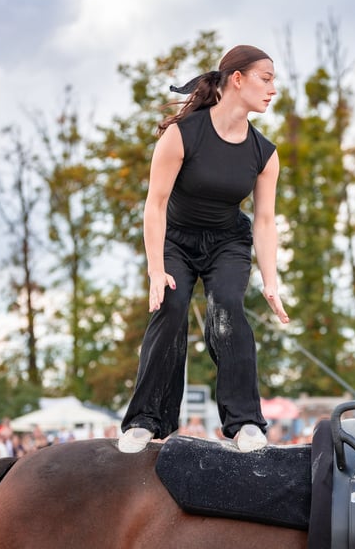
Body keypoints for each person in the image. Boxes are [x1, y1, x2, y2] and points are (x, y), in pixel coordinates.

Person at [118, 45, 289, 454]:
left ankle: (245, 422)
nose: (272, 90)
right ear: (237, 79)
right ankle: (148, 420)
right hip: (176, 236)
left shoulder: (264, 153)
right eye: (266, 79)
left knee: (228, 307)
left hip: (227, 242)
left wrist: (271, 280)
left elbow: (264, 221)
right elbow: (155, 205)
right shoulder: (183, 135)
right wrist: (156, 271)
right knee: (172, 306)